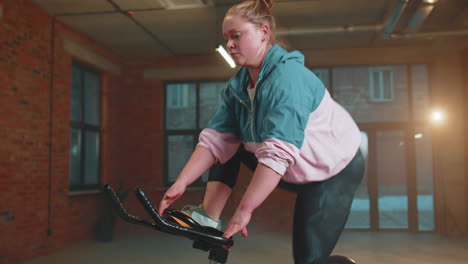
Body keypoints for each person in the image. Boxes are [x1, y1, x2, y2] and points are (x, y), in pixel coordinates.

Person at [158, 0, 365, 263]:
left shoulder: (288, 80)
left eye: (236, 36)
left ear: (264, 33)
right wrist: (182, 182)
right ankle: (207, 218)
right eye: (226, 38)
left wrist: (245, 210)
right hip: (294, 167)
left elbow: (276, 155)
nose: (229, 45)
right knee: (229, 143)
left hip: (334, 170)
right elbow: (216, 140)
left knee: (308, 261)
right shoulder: (237, 87)